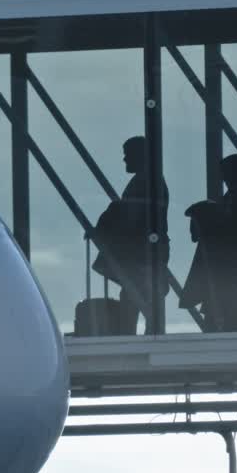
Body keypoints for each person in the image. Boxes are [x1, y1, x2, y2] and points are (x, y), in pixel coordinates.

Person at [180, 154, 237, 332]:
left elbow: (233, 231)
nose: (223, 177)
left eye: (226, 173)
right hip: (230, 276)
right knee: (228, 320)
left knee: (230, 320)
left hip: (231, 277)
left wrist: (209, 216)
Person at [92, 136, 170, 334]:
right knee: (134, 298)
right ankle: (141, 334)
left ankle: (145, 336)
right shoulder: (146, 181)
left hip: (141, 255)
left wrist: (107, 223)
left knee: (140, 298)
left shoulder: (146, 182)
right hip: (142, 254)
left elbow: (131, 217)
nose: (124, 160)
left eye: (128, 155)